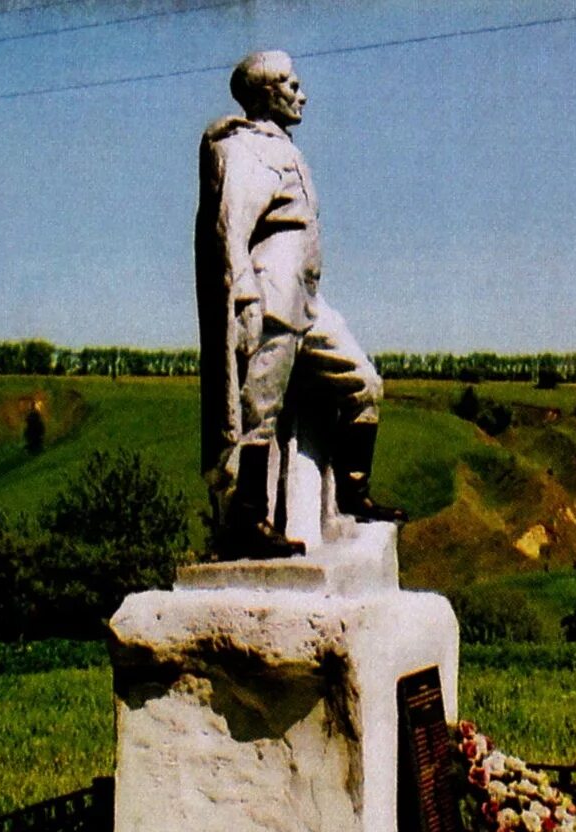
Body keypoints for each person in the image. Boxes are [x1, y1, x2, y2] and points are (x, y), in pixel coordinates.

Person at [195, 50, 406, 560]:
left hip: (307, 300)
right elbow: (231, 227)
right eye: (290, 84)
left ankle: (354, 495)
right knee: (258, 412)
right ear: (266, 94)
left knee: (364, 383)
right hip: (270, 297)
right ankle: (248, 519)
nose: (301, 93)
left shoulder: (281, 147)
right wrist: (243, 293)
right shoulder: (246, 149)